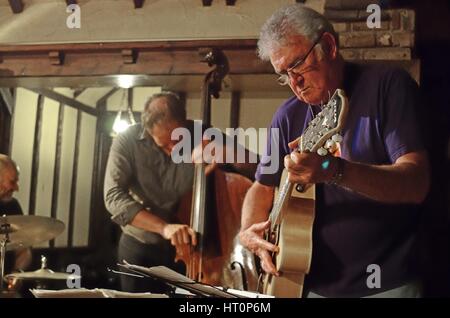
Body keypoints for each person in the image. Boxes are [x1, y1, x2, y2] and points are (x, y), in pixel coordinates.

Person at [239, 4, 430, 298]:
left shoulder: (387, 87)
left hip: (387, 284)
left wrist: (333, 170)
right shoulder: (288, 115)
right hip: (308, 285)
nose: (294, 83)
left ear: (328, 46)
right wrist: (249, 231)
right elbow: (262, 187)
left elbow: (416, 183)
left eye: (297, 65)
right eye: (283, 74)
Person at [104, 91, 256, 293]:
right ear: (148, 130)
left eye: (176, 141)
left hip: (193, 251)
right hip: (140, 246)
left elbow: (260, 169)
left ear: (185, 122)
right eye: (164, 144)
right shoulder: (126, 141)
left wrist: (224, 151)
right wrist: (164, 228)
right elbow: (113, 196)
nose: (172, 149)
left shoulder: (203, 133)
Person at [0, 154, 32, 289]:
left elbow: (24, 250)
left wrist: (18, 272)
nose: (16, 188)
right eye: (12, 182)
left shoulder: (13, 206)